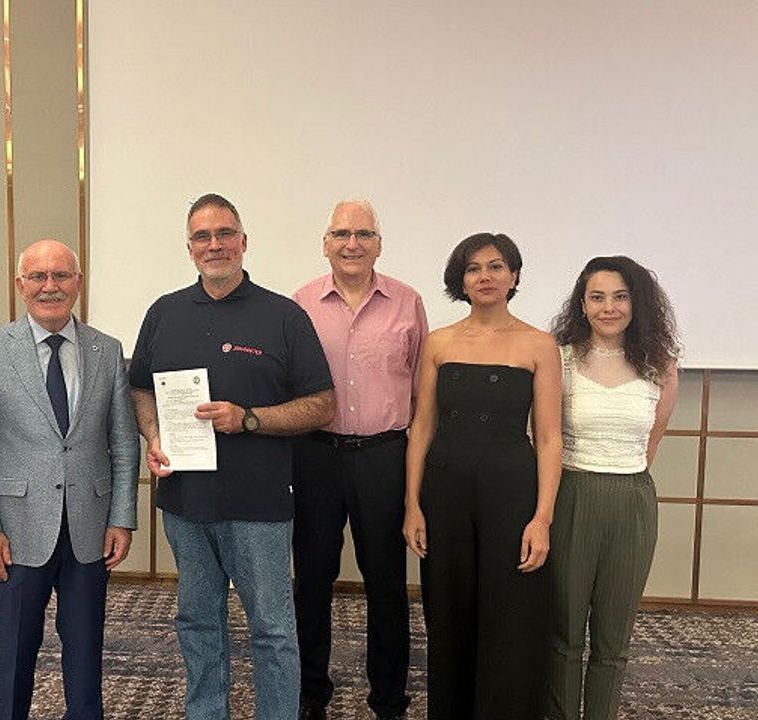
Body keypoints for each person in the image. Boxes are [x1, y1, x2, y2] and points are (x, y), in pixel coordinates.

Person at [129, 193, 335, 720]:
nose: (214, 245)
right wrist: (153, 435)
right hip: (185, 503)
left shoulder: (283, 316)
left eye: (225, 234)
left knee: (272, 629)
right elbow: (141, 389)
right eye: (202, 236)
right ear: (190, 248)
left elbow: (322, 405)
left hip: (259, 506)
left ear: (244, 242)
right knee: (197, 623)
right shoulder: (163, 313)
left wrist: (249, 419)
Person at [0, 239, 140, 720]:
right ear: (21, 285)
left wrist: (122, 518)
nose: (49, 286)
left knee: (86, 653)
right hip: (14, 534)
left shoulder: (107, 350)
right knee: (14, 653)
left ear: (78, 282)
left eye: (61, 276)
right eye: (38, 276)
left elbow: (123, 443)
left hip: (89, 531)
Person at [402, 232, 562, 720]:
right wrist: (412, 504)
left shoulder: (540, 344)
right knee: (448, 609)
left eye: (496, 266)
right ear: (461, 279)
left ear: (514, 276)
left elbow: (549, 437)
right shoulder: (439, 341)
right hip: (444, 490)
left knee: (510, 612)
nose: (485, 276)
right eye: (473, 268)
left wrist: (542, 519)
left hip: (511, 494)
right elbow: (422, 425)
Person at [290, 200, 427, 720]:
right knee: (312, 581)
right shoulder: (299, 303)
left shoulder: (407, 302)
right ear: (325, 243)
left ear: (379, 244)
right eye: (342, 234)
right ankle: (310, 695)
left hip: (384, 457)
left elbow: (422, 391)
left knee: (387, 585)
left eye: (364, 234)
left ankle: (389, 700)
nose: (353, 244)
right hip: (315, 456)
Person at [545, 256, 680, 720]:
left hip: (632, 504)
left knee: (613, 637)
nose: (609, 308)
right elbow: (543, 438)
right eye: (597, 297)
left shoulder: (661, 366)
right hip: (571, 497)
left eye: (620, 297)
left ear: (636, 303)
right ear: (581, 304)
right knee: (564, 633)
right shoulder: (559, 360)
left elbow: (650, 445)